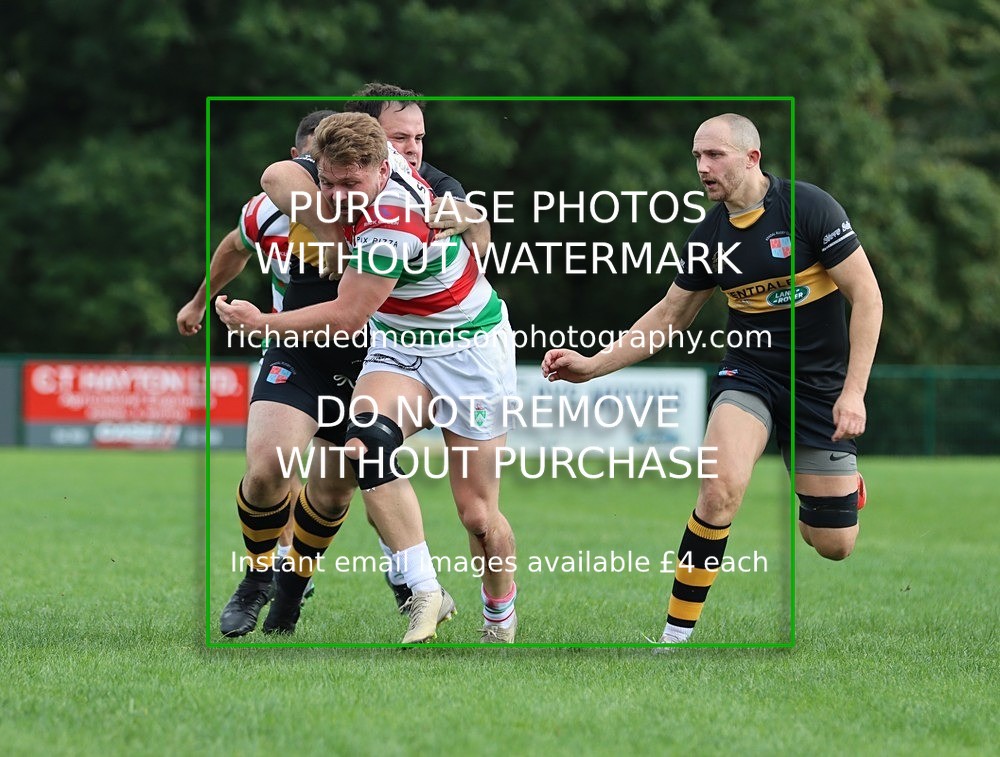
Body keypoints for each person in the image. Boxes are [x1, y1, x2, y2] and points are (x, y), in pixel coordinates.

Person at [541, 113, 882, 645]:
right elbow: (669, 317)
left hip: (820, 387)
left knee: (832, 543)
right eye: (697, 157)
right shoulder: (710, 235)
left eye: (714, 155)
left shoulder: (809, 208)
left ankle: (842, 492)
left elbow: (868, 296)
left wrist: (853, 392)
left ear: (752, 158)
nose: (702, 167)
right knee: (719, 489)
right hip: (750, 375)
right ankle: (675, 638)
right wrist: (591, 366)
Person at [217, 112, 520, 643]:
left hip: (470, 349)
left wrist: (260, 322)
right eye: (327, 181)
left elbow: (347, 315)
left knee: (478, 516)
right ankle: (425, 590)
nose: (336, 194)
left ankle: (499, 613)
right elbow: (275, 177)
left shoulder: (394, 221)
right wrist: (332, 230)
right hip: (399, 346)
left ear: (384, 169)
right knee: (367, 445)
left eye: (349, 185)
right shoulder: (353, 172)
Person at [179, 111, 338, 623]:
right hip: (292, 345)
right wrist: (202, 301)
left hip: (371, 356)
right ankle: (261, 574)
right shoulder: (269, 209)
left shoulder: (378, 206)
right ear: (298, 164)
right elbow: (233, 246)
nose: (327, 175)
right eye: (317, 163)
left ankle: (396, 580)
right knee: (271, 467)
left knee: (343, 485)